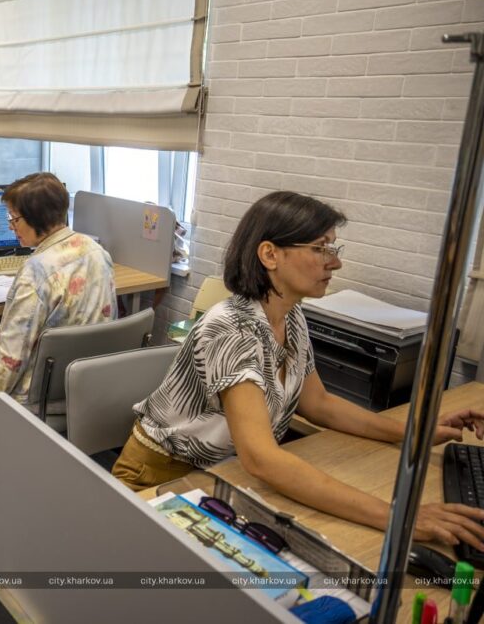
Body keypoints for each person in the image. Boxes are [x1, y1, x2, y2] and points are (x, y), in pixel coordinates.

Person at [112, 190, 484, 551]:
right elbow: (261, 458)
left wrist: (413, 434)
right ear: (270, 254)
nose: (334, 263)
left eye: (333, 249)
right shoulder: (232, 329)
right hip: (158, 478)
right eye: (321, 248)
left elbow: (318, 403)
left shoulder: (291, 316)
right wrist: (399, 518)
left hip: (220, 473)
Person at [0, 172, 117, 410]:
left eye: (14, 219)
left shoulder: (36, 272)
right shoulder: (98, 252)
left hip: (35, 396)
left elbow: (12, 356)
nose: (11, 226)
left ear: (36, 218)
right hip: (84, 384)